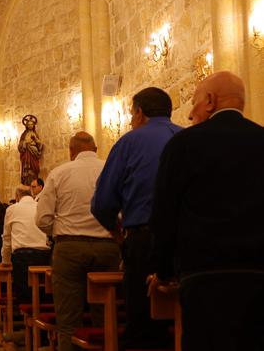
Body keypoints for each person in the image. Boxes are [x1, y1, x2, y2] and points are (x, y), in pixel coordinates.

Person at [150, 71, 264, 350]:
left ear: (210, 101)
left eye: (194, 102)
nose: (190, 114)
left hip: (205, 277)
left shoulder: (183, 145)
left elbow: (165, 213)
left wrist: (163, 271)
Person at [91, 87, 181, 349]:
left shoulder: (129, 142)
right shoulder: (186, 137)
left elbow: (103, 202)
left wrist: (117, 232)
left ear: (140, 113)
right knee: (181, 318)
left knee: (143, 323)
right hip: (185, 243)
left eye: (131, 114)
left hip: (144, 240)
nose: (131, 120)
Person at [36, 132, 120, 351]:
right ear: (95, 149)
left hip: (69, 248)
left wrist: (63, 231)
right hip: (107, 247)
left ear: (71, 152)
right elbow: (123, 210)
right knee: (107, 316)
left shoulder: (59, 173)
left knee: (68, 319)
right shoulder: (111, 170)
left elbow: (42, 218)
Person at [1, 185, 51, 306]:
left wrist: (6, 261)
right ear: (32, 194)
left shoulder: (12, 209)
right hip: (44, 256)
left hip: (22, 257)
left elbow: (7, 238)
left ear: (17, 196)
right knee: (43, 292)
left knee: (25, 294)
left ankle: (26, 318)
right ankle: (40, 316)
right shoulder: (40, 206)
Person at [18, 114, 44, 185]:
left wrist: (35, 140)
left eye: (31, 124)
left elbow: (40, 146)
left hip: (34, 153)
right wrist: (25, 143)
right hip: (26, 153)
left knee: (34, 169)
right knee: (27, 170)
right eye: (29, 124)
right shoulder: (24, 135)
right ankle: (27, 182)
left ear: (33, 125)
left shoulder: (35, 134)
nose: (30, 126)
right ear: (26, 126)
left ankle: (34, 182)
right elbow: (20, 146)